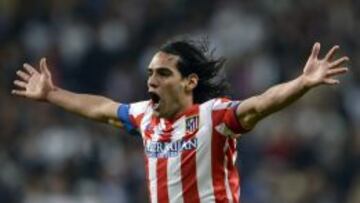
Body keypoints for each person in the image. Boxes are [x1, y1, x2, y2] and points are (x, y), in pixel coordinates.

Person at [12, 38, 349, 203]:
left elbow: (260, 104)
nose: (151, 81)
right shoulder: (144, 115)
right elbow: (102, 108)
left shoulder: (213, 115)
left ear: (190, 82)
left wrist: (303, 83)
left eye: (162, 73)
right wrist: (52, 94)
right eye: (149, 74)